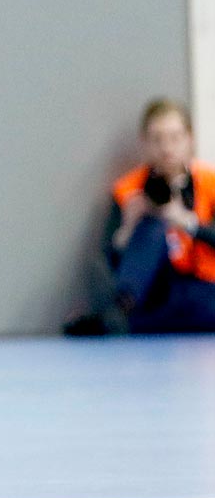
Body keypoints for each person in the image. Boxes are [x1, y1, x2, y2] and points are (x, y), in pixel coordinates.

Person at [64, 99, 215, 336]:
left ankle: (118, 323)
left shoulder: (210, 183)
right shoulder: (128, 190)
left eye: (175, 138)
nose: (167, 148)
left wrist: (188, 222)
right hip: (153, 291)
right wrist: (128, 228)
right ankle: (121, 313)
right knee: (151, 227)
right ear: (145, 143)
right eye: (158, 139)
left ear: (189, 139)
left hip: (203, 286)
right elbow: (107, 259)